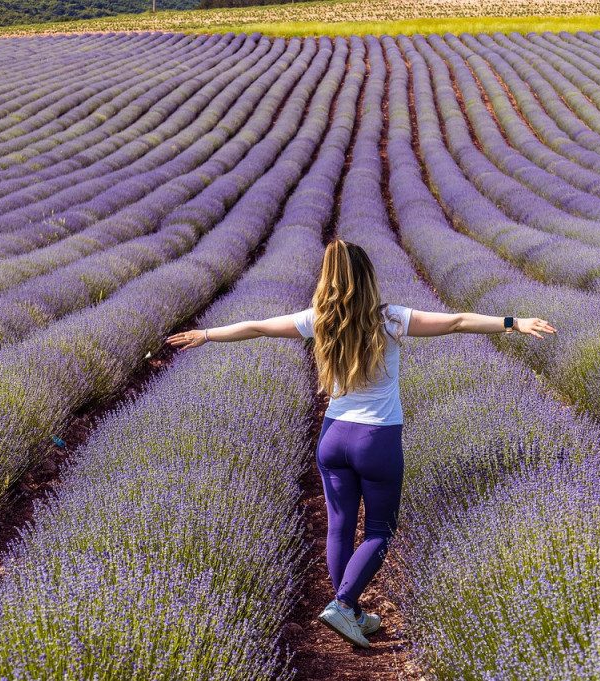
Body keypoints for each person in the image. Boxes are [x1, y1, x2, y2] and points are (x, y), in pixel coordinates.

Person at [166, 239, 556, 649]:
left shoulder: (319, 320)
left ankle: (350, 613)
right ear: (368, 277)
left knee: (340, 528)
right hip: (377, 439)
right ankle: (344, 603)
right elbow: (457, 321)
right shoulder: (390, 319)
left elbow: (257, 327)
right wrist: (514, 322)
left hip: (333, 438)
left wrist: (205, 334)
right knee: (379, 530)